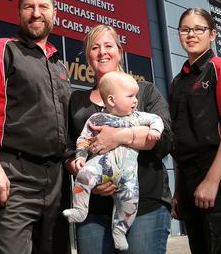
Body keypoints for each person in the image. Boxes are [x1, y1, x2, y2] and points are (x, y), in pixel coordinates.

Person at [0, 0, 71, 254]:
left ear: (54, 13)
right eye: (29, 7)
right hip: (14, 177)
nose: (36, 13)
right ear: (19, 13)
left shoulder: (59, 65)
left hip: (57, 180)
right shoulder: (2, 49)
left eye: (43, 6)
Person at [67, 25, 173, 254]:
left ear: (120, 51)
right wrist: (85, 175)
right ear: (88, 56)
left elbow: (165, 139)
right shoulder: (78, 101)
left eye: (108, 46)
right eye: (94, 48)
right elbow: (68, 150)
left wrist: (118, 136)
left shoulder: (145, 92)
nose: (102, 52)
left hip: (145, 206)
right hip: (94, 213)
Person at [170, 7, 221, 253]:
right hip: (192, 189)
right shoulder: (178, 82)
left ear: (213, 34)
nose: (191, 34)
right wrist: (179, 191)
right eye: (185, 29)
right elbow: (180, 144)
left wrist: (212, 180)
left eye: (198, 29)